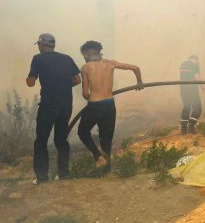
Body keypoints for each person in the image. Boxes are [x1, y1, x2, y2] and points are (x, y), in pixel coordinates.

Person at [78, 41, 143, 169]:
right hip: (109, 105)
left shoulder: (85, 68)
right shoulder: (111, 63)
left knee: (83, 132)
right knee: (106, 138)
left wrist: (92, 94)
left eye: (84, 54)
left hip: (94, 106)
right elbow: (135, 68)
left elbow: (85, 94)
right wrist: (139, 82)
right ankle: (106, 170)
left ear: (88, 53)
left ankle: (98, 157)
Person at [26, 33, 81, 184]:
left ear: (42, 45)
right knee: (61, 139)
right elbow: (77, 79)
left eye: (38, 45)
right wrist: (62, 86)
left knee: (41, 140)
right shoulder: (67, 58)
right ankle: (63, 174)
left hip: (48, 105)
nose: (38, 47)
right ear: (53, 45)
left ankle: (42, 177)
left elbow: (31, 82)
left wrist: (31, 78)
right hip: (65, 105)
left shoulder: (38, 58)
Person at [180, 55, 205, 134]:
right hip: (192, 90)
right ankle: (191, 126)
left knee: (186, 107)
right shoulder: (194, 65)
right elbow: (197, 77)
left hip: (183, 89)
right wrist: (203, 88)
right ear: (196, 60)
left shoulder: (182, 65)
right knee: (198, 109)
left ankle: (183, 130)